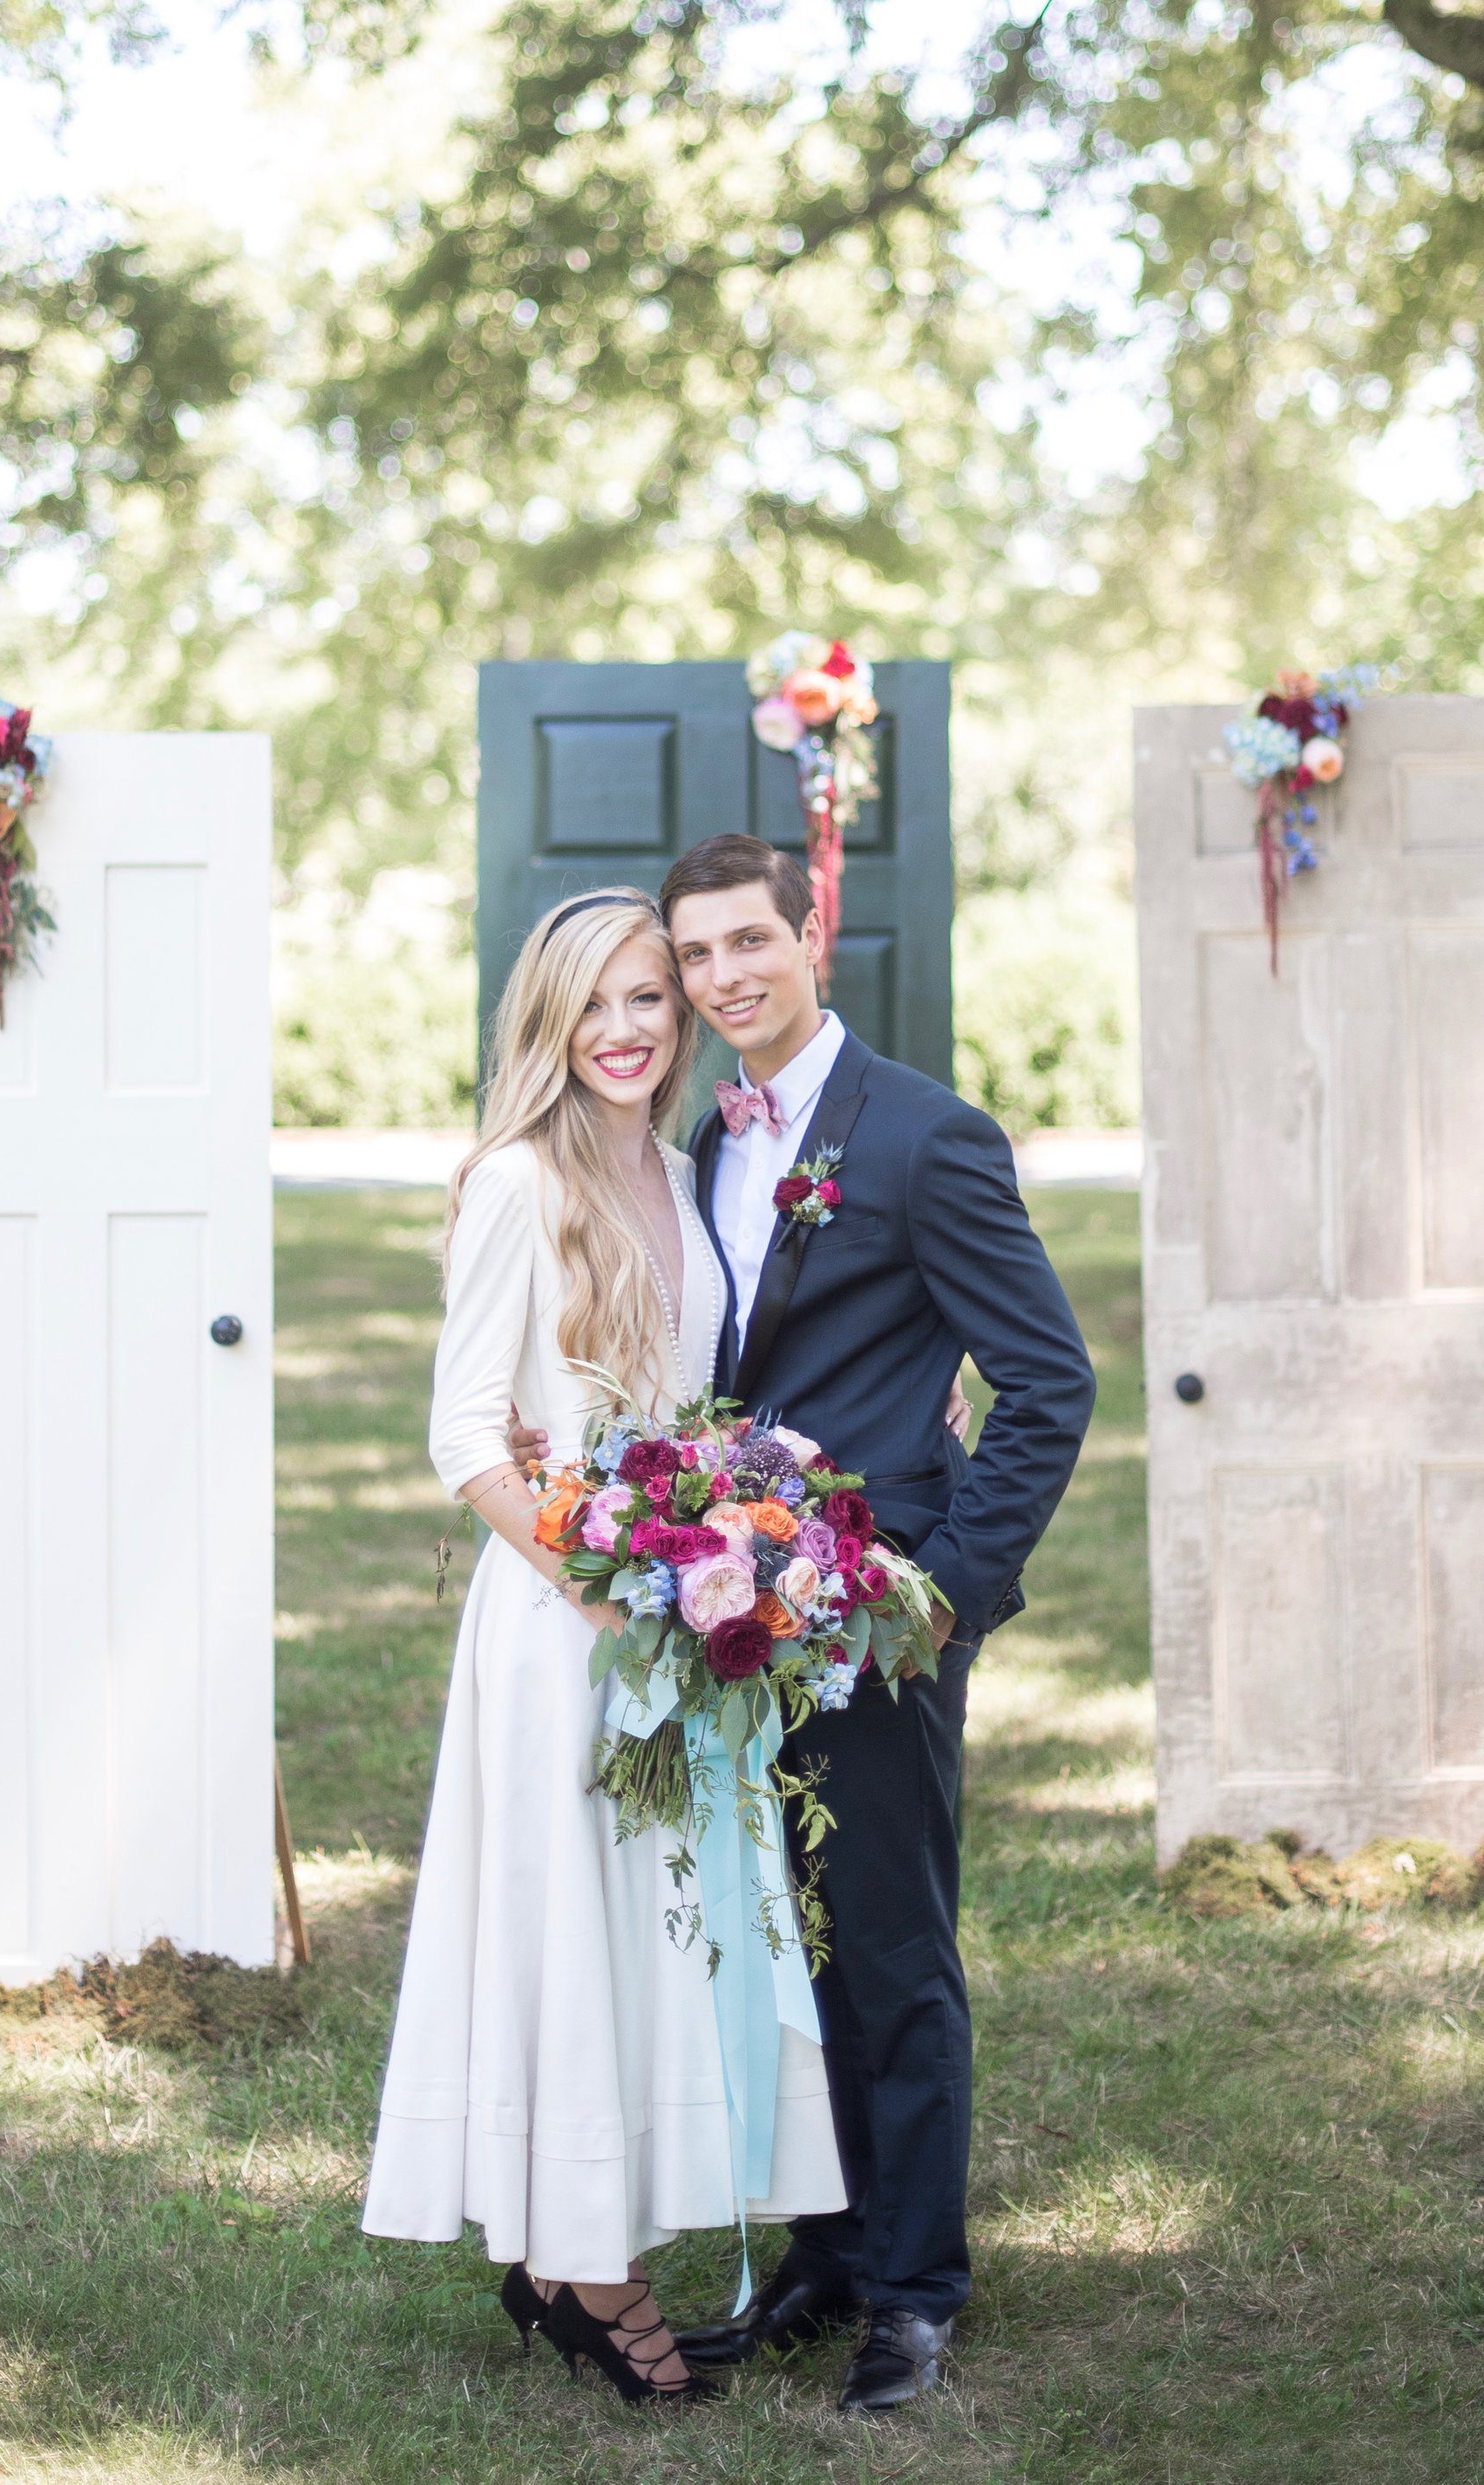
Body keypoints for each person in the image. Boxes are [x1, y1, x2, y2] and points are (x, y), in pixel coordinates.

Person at [361, 886, 845, 2404]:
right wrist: (603, 1580)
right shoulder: (519, 1179)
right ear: (550, 1021)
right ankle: (586, 2269)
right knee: (573, 1929)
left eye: (653, 997)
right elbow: (462, 1438)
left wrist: (728, 1547)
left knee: (657, 1934)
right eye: (600, 1004)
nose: (630, 1029)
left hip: (680, 1617)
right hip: (567, 1624)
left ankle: (587, 2232)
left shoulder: (678, 1164)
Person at [660, 832, 1097, 2418]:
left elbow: (1049, 1382)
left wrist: (947, 1597)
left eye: (748, 943)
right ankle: (829, 2250)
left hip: (880, 1614)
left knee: (893, 1947)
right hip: (737, 1617)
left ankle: (914, 2290)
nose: (723, 979)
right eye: (696, 956)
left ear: (810, 930)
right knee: (786, 1942)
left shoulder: (923, 1135)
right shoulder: (707, 1136)